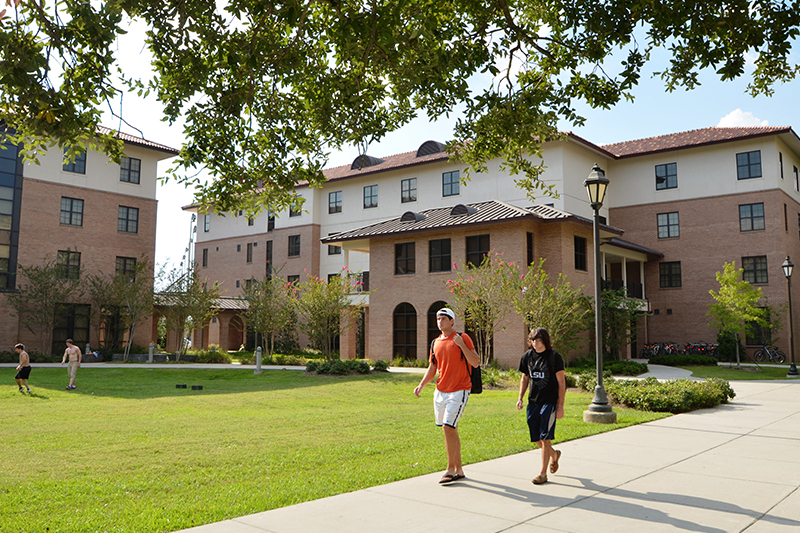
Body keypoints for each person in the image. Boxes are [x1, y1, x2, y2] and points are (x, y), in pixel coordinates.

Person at [414, 308, 480, 484]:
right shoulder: (435, 342)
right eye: (438, 319)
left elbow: (475, 362)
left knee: (447, 427)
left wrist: (462, 345)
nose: (440, 321)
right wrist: (422, 384)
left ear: (452, 321)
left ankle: (450, 469)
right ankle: (459, 470)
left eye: (443, 318)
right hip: (441, 391)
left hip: (460, 389)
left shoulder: (462, 338)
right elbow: (433, 367)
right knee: (451, 429)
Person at [516, 327, 566, 485]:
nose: (535, 343)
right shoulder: (527, 357)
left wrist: (560, 406)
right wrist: (520, 398)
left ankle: (543, 474)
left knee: (545, 437)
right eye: (532, 340)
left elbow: (561, 383)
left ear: (545, 340)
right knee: (536, 437)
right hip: (533, 401)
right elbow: (525, 378)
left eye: (538, 340)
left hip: (549, 402)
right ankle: (554, 454)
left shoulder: (554, 357)